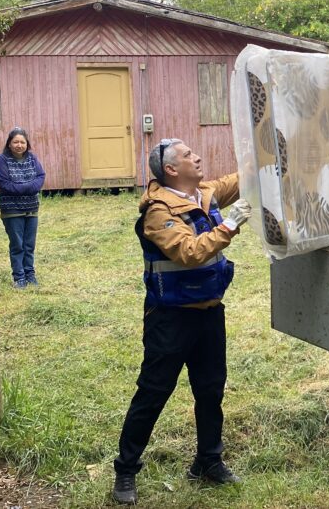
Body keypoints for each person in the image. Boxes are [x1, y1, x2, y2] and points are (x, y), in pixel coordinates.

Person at [111, 138, 252, 504]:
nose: (198, 156)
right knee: (153, 392)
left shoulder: (204, 193)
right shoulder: (159, 212)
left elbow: (244, 179)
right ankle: (126, 470)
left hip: (209, 312)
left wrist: (273, 155)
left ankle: (208, 461)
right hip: (170, 319)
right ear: (171, 169)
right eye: (189, 155)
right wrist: (229, 226)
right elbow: (188, 252)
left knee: (210, 390)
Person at [0, 127, 45, 289]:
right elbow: (4, 184)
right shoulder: (2, 160)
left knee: (29, 245)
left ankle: (30, 275)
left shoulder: (32, 158)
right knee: (17, 245)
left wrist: (22, 187)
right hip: (12, 210)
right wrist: (28, 187)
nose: (19, 145)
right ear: (9, 144)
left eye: (22, 142)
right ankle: (19, 277)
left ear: (27, 144)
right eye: (15, 142)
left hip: (32, 208)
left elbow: (40, 177)